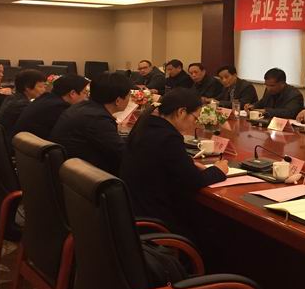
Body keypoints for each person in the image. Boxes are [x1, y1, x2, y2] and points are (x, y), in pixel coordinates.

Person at [121, 88, 227, 241]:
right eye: (195, 118)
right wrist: (218, 170)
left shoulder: (146, 124)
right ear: (181, 112)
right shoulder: (168, 137)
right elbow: (194, 181)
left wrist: (186, 162)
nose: (195, 124)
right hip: (157, 219)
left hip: (135, 211)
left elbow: (162, 161)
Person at [51, 72, 131, 176]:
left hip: (67, 170)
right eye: (129, 95)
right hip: (81, 177)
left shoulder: (83, 107)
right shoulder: (97, 118)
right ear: (118, 100)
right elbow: (123, 154)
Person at [12, 74, 89, 140]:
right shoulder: (59, 107)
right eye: (85, 93)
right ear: (72, 93)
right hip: (35, 149)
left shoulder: (46, 98)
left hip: (22, 147)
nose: (86, 98)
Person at [0, 69, 48, 137]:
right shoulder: (21, 105)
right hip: (10, 140)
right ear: (27, 87)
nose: (44, 90)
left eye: (44, 87)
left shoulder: (11, 98)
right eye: (40, 86)